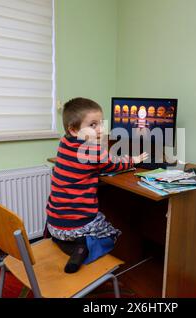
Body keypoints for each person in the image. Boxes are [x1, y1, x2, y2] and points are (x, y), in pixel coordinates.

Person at [46, 97, 148, 273]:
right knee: (112, 233)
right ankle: (81, 248)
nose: (100, 129)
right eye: (93, 125)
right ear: (74, 129)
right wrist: (134, 160)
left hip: (53, 224)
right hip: (77, 226)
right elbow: (114, 163)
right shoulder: (92, 151)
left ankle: (65, 243)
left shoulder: (64, 142)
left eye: (101, 123)